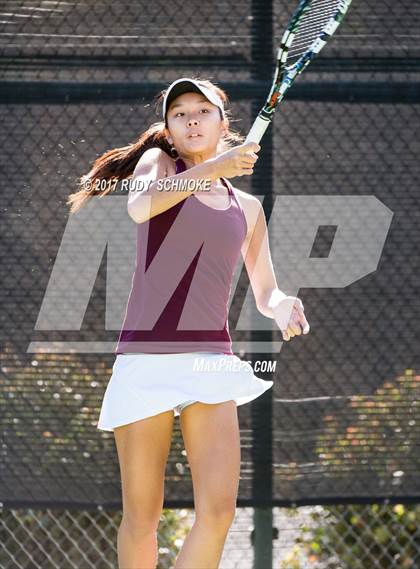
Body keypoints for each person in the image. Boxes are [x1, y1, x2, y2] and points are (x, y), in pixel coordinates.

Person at [67, 76, 310, 569]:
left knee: (218, 511)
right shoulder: (157, 164)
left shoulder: (248, 208)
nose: (192, 118)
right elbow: (141, 205)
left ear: (224, 123)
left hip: (210, 363)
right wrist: (218, 166)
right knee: (143, 517)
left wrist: (282, 303)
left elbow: (265, 290)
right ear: (169, 128)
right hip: (146, 360)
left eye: (203, 110)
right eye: (180, 113)